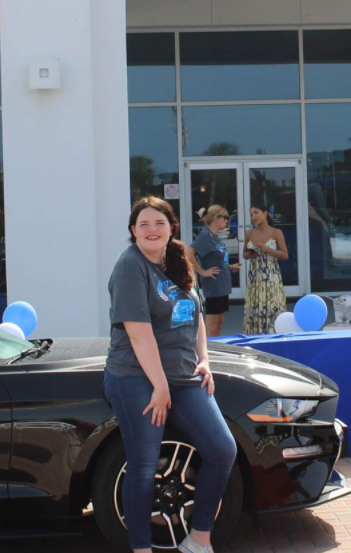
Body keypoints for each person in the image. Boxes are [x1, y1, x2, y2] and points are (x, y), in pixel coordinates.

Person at [104, 196, 236, 553]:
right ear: (133, 232)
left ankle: (199, 539)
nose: (152, 230)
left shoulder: (177, 259)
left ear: (171, 228)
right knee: (144, 464)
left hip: (182, 375)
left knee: (223, 450)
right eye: (143, 224)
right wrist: (159, 386)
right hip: (136, 376)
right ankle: (141, 549)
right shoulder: (130, 267)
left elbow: (196, 317)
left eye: (159, 223)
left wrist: (204, 360)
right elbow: (137, 332)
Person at [186, 205, 241, 338]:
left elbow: (215, 258)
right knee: (212, 325)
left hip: (222, 286)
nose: (227, 221)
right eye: (225, 218)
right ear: (216, 218)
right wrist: (202, 272)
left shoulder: (214, 236)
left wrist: (229, 266)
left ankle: (216, 349)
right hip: (214, 286)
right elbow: (189, 253)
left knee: (219, 323)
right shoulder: (205, 235)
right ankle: (209, 352)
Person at [242, 203, 288, 335]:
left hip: (271, 276)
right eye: (251, 214)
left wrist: (268, 250)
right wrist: (249, 254)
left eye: (256, 212)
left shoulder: (276, 232)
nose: (253, 216)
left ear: (265, 213)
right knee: (255, 308)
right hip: (255, 277)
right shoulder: (249, 233)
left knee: (271, 307)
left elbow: (285, 255)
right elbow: (244, 254)